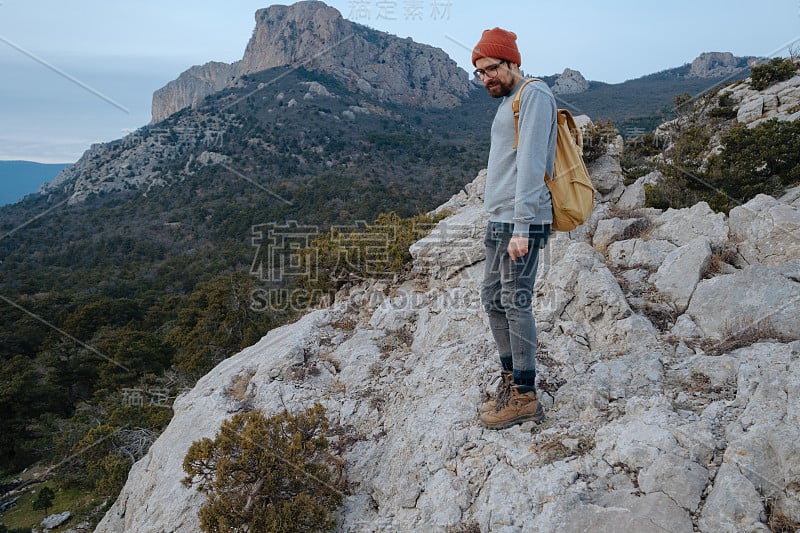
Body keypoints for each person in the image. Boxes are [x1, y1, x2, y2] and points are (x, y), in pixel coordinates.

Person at [472, 28, 557, 430]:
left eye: (491, 68)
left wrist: (522, 226)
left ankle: (525, 394)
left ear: (512, 63)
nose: (486, 77)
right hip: (500, 219)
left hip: (521, 222)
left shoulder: (533, 95)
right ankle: (510, 378)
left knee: (515, 301)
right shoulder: (509, 101)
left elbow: (532, 162)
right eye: (479, 72)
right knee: (493, 298)